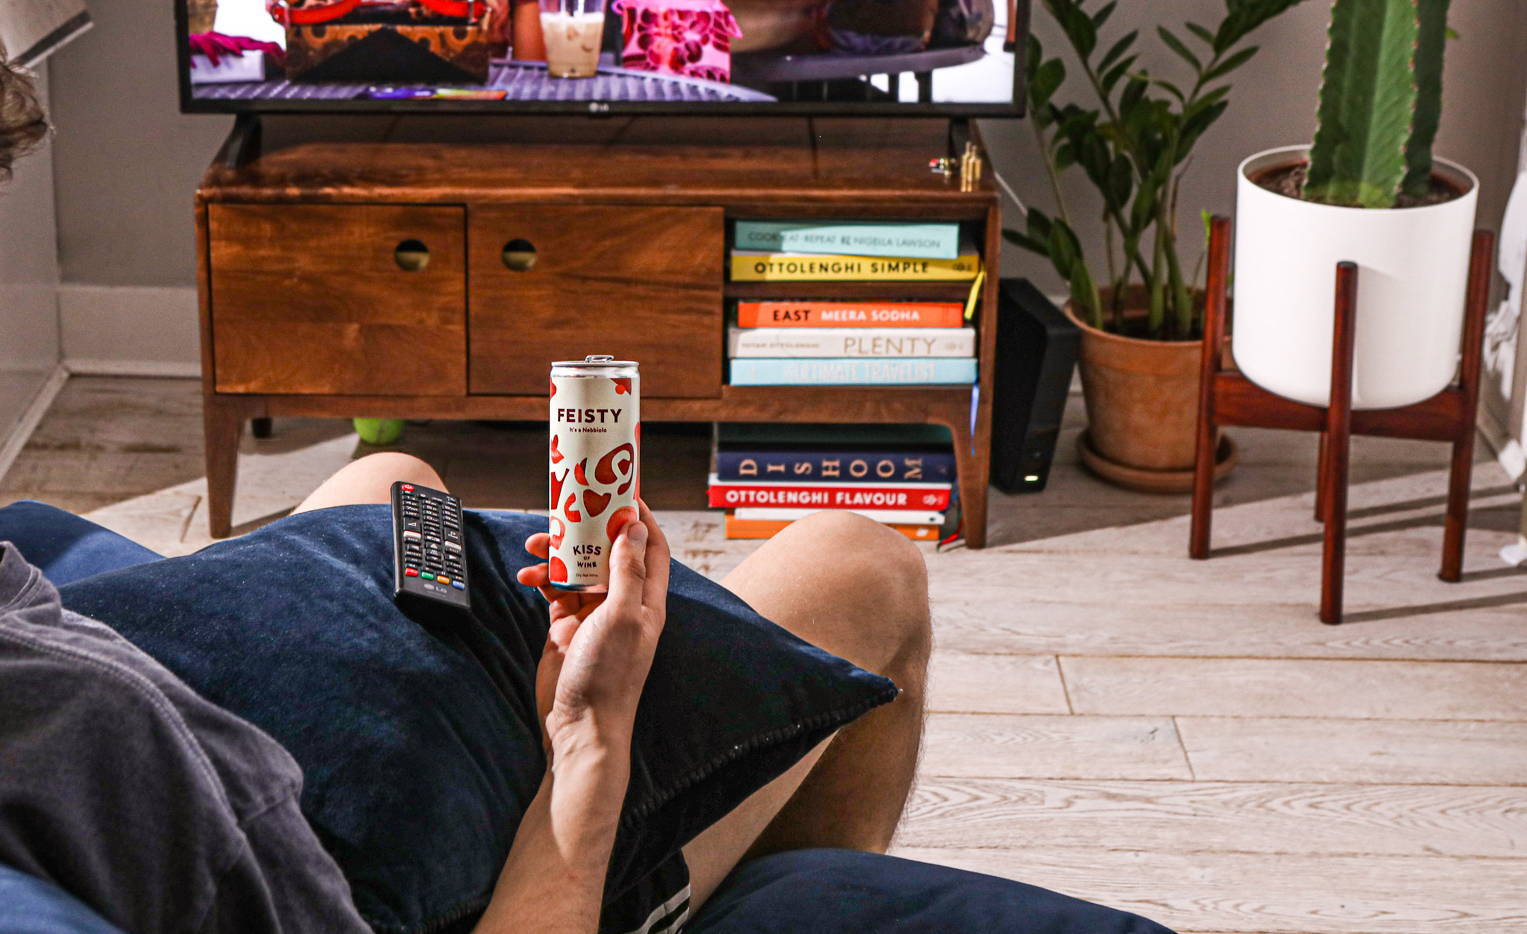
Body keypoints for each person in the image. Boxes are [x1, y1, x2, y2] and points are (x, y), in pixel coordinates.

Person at [0, 447, 931, 933]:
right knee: (860, 562)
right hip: (499, 816)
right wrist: (590, 729)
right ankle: (774, 896)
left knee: (393, 476)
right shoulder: (107, 757)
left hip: (269, 675)